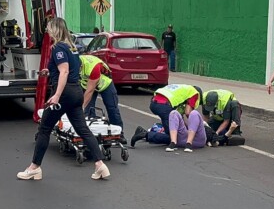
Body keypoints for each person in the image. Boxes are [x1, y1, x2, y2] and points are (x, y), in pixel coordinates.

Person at [17, 17, 110, 181]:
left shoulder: (58, 47)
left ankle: (34, 168)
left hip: (64, 94)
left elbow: (64, 72)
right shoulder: (72, 48)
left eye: (48, 28)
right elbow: (69, 69)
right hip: (75, 93)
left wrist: (56, 95)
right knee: (83, 130)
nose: (47, 30)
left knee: (44, 129)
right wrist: (49, 71)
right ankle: (100, 165)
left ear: (55, 29)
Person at [133, 84, 203, 146]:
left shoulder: (183, 89)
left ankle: (148, 135)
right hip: (164, 106)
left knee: (171, 132)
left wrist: (185, 127)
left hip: (155, 103)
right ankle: (145, 134)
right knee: (174, 138)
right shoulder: (194, 93)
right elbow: (188, 113)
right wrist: (194, 127)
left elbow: (178, 117)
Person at [143, 102, 210, 152]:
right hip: (189, 140)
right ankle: (176, 142)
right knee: (174, 113)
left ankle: (176, 143)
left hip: (190, 140)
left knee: (193, 113)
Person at [80, 54, 123, 127]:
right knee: (88, 111)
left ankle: (118, 132)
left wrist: (81, 107)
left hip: (104, 84)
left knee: (112, 108)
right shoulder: (72, 64)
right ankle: (90, 131)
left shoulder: (93, 67)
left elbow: (90, 91)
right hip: (86, 84)